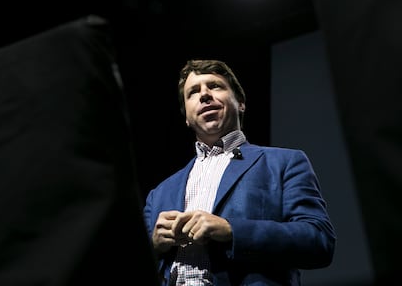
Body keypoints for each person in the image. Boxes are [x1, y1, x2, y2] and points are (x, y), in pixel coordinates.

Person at [143, 59, 336, 286]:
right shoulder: (159, 194)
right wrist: (152, 246)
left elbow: (319, 241)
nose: (204, 95)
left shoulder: (285, 162)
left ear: (241, 103)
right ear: (186, 116)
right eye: (193, 92)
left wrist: (231, 230)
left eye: (215, 86)